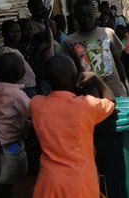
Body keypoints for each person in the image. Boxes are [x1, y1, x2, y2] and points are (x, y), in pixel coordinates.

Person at [30, 55, 115, 197]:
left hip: (48, 182)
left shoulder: (36, 105)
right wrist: (95, 78)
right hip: (80, 182)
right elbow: (111, 100)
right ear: (74, 78)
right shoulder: (86, 106)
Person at [62, 0, 128, 97]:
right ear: (75, 17)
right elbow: (69, 74)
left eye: (90, 16)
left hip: (116, 92)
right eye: (82, 17)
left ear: (95, 14)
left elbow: (117, 62)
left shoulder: (108, 33)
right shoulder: (69, 42)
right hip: (90, 98)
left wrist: (126, 85)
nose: (87, 20)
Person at [0, 53, 30, 198]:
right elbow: (33, 112)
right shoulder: (17, 95)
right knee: (5, 184)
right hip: (2, 149)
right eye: (23, 66)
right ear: (19, 73)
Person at [0, 20, 37, 98]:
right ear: (4, 34)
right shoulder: (7, 52)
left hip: (28, 87)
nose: (17, 35)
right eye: (12, 32)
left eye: (18, 32)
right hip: (23, 89)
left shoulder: (14, 49)